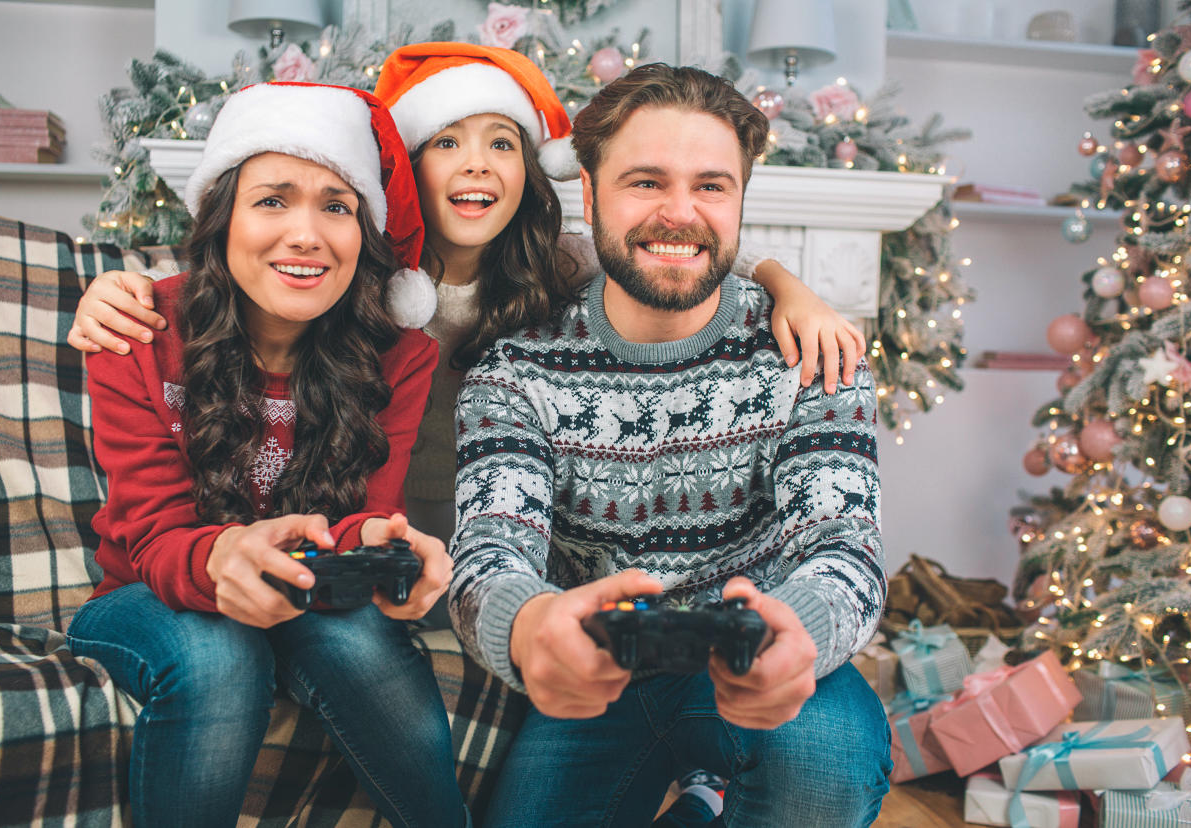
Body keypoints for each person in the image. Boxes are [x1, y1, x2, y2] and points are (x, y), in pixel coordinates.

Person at [65, 44, 866, 581]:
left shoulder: (567, 267)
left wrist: (788, 284)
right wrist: (117, 291)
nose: (477, 163)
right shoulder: (348, 275)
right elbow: (241, 283)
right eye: (447, 142)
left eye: (502, 144)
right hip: (376, 528)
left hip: (513, 534)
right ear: (407, 167)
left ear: (532, 172)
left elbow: (680, 247)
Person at [449, 63, 892, 827]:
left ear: (742, 199)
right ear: (590, 196)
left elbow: (844, 547)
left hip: (757, 644)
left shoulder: (812, 355)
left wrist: (802, 630)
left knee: (826, 765)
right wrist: (529, 627)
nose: (680, 213)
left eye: (712, 186)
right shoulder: (516, 370)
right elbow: (490, 553)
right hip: (606, 662)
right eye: (646, 182)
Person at [64, 82, 467, 828]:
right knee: (220, 654)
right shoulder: (139, 327)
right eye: (272, 200)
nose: (307, 235)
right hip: (142, 594)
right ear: (223, 221)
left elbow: (362, 519)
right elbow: (151, 535)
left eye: (336, 206)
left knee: (367, 648)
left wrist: (383, 545)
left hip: (306, 594)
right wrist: (224, 558)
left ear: (364, 233)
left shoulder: (401, 358)